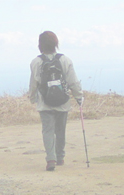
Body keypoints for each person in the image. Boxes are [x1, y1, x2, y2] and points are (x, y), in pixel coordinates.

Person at [28, 31, 83, 171]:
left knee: (47, 130)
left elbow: (33, 83)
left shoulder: (36, 62)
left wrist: (32, 97)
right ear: (55, 44)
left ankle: (50, 159)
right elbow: (73, 82)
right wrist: (79, 97)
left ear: (40, 45)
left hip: (44, 102)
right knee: (60, 130)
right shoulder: (65, 60)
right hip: (62, 102)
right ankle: (60, 157)